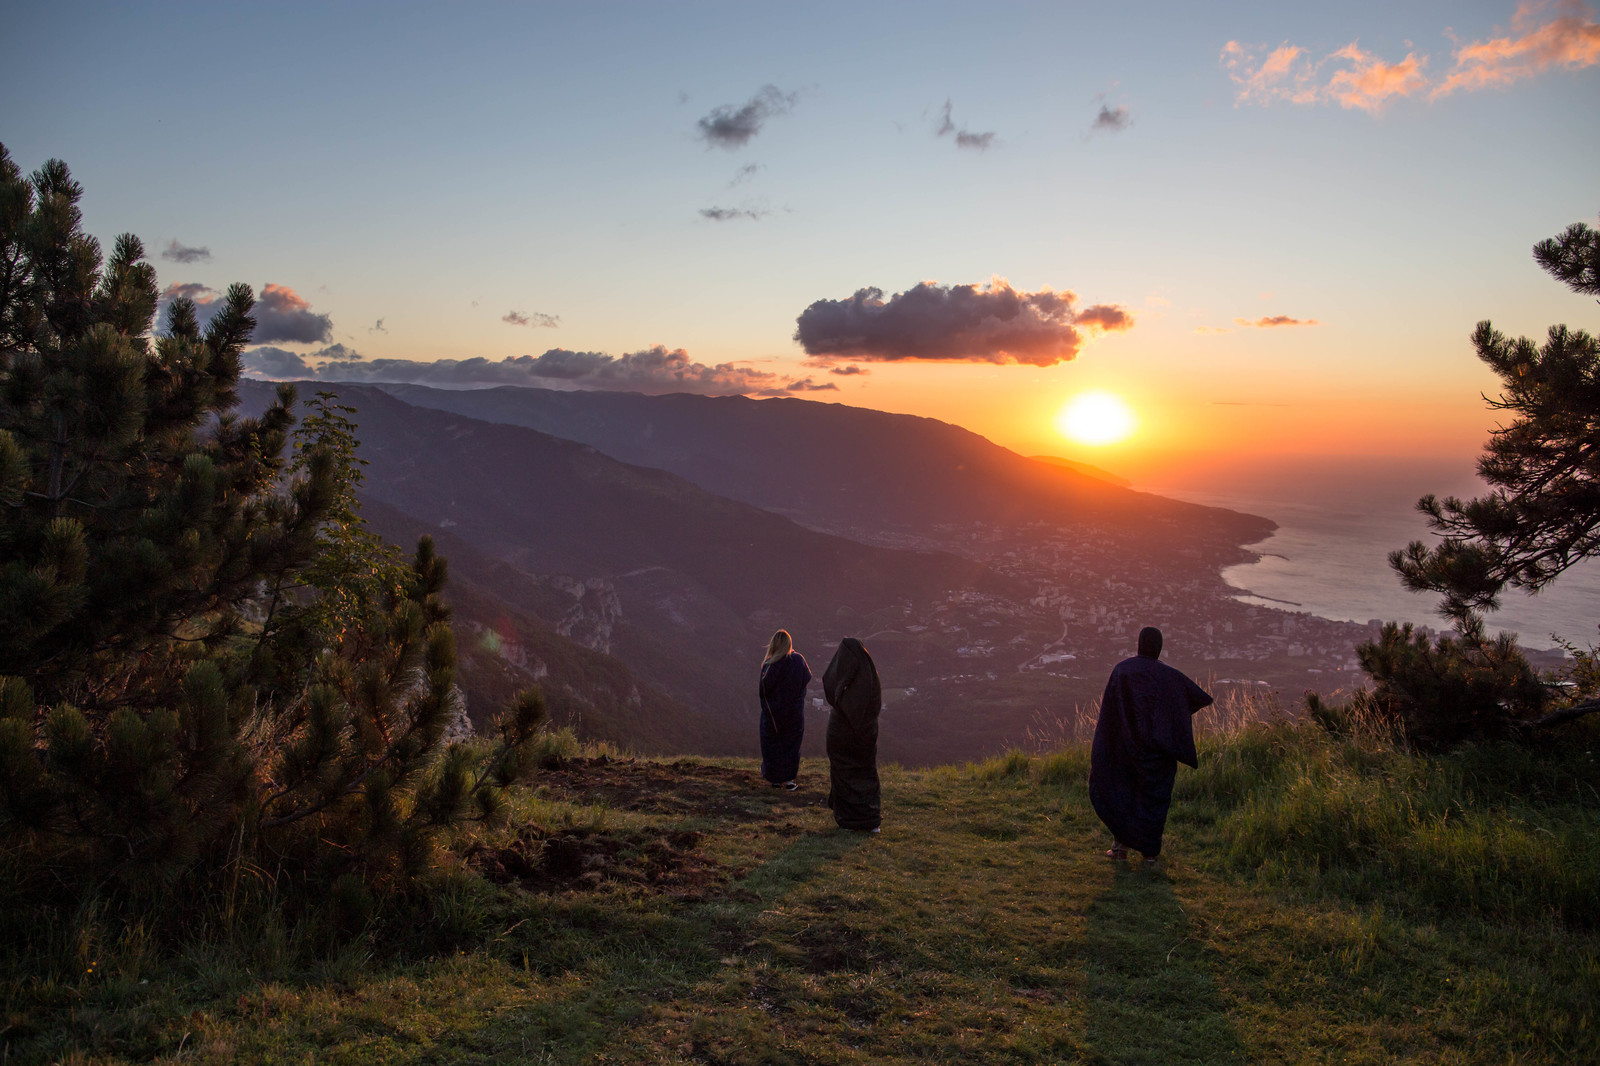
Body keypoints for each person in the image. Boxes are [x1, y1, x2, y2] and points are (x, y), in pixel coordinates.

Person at [1089, 626, 1213, 864]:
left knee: (1121, 794)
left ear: (1139, 644)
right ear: (1159, 647)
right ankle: (1150, 854)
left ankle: (1119, 848)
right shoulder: (1169, 676)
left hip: (1124, 749)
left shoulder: (1122, 671)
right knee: (1153, 799)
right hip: (1158, 752)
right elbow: (1198, 698)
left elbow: (1109, 714)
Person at [822, 636, 882, 831]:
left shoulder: (843, 683)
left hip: (842, 737)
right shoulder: (871, 679)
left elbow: (830, 685)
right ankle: (869, 817)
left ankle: (849, 819)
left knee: (844, 773)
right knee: (865, 772)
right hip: (866, 736)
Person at [758, 629, 811, 790]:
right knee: (791, 746)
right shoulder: (798, 659)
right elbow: (807, 677)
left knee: (772, 745)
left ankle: (774, 779)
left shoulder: (770, 665)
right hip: (794, 713)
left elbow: (764, 690)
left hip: (773, 714)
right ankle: (789, 781)